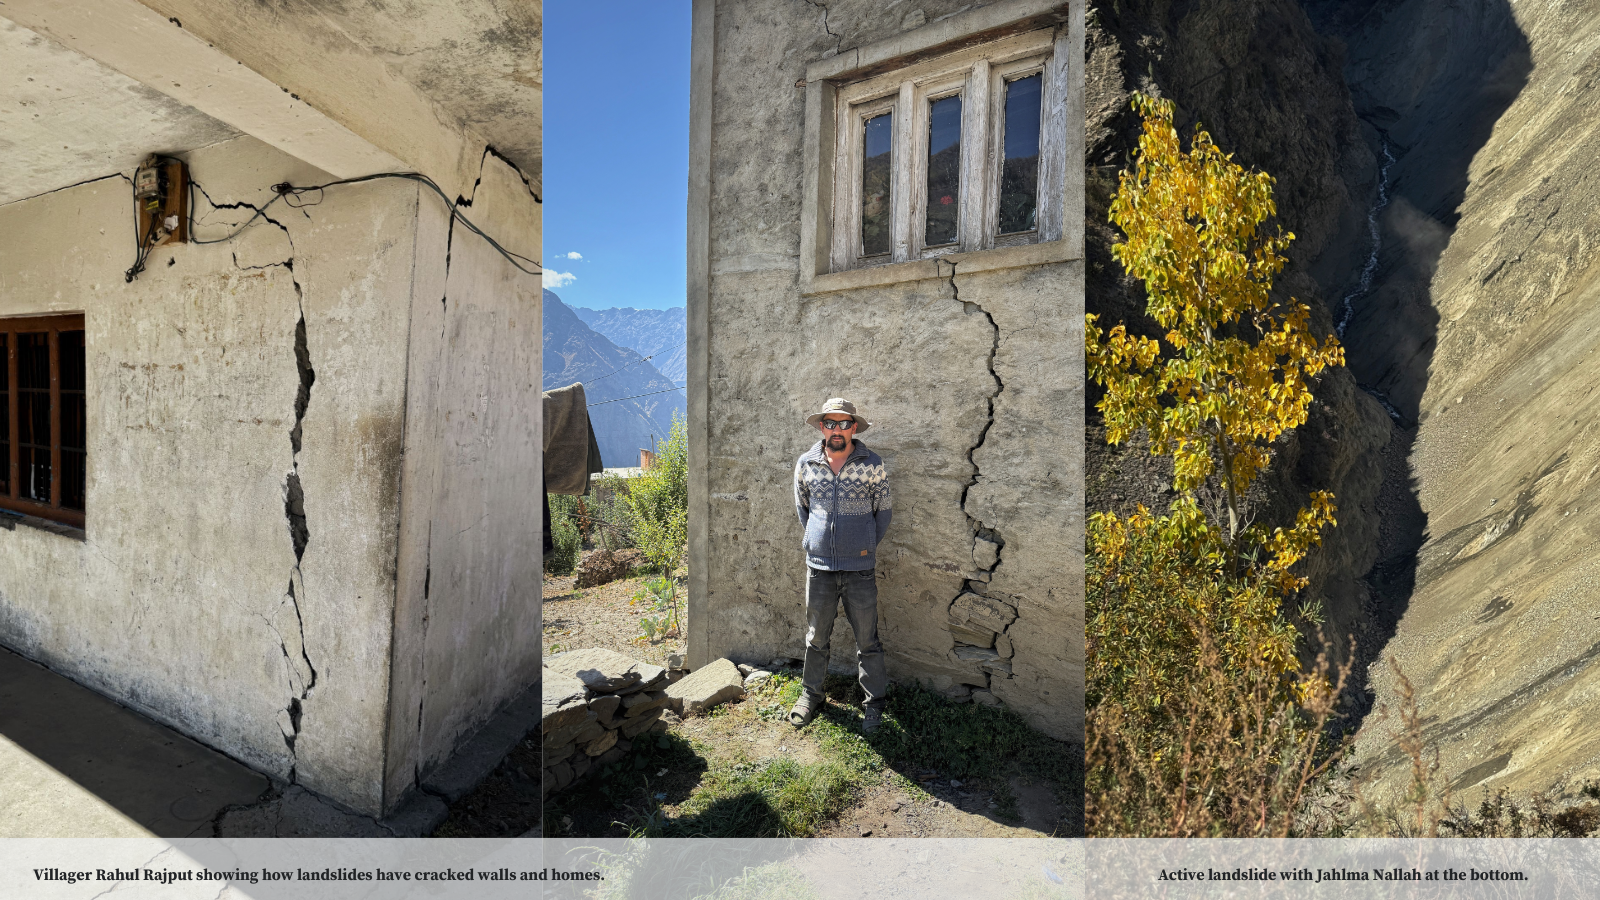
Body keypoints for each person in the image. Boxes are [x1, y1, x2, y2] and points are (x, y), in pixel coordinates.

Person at [789, 398, 892, 734]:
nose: (836, 429)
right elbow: (804, 508)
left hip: (859, 569)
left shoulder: (872, 464)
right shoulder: (806, 463)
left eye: (843, 423)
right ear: (822, 427)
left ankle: (874, 704)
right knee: (816, 637)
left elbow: (884, 511)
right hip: (819, 568)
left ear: (853, 427)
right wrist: (819, 541)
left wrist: (862, 546)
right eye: (830, 423)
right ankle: (811, 695)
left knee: (868, 640)